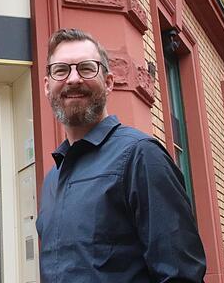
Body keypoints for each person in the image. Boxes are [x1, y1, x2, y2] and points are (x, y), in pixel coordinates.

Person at [36, 28, 206, 283]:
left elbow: (180, 274)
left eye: (86, 68)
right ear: (48, 86)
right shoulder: (53, 178)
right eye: (61, 70)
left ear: (109, 82)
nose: (73, 79)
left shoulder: (141, 155)